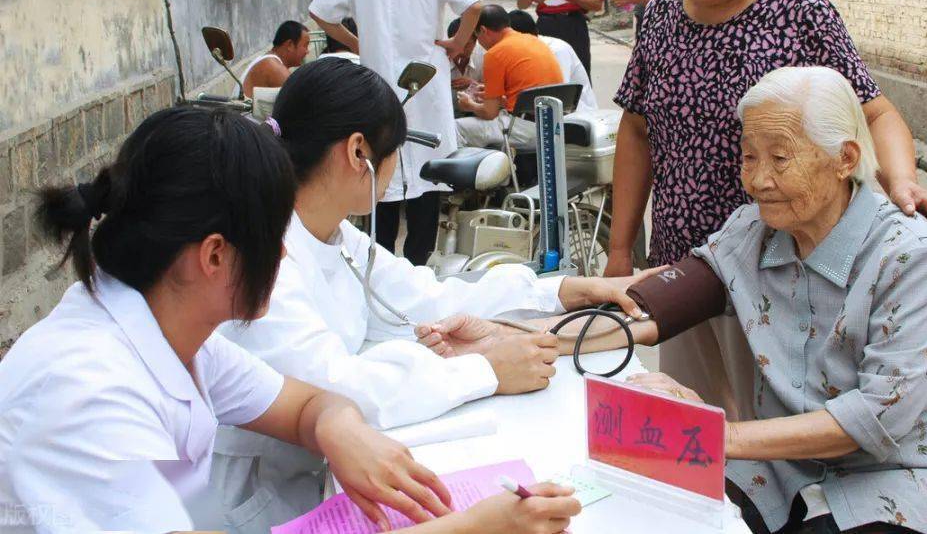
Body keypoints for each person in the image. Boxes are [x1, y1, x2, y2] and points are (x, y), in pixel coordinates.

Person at [418, 68, 927, 534]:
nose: (757, 179)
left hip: (900, 475)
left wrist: (714, 432)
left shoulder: (907, 256)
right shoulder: (754, 230)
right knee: (656, 510)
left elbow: (876, 417)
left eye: (779, 158)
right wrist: (517, 337)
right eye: (748, 156)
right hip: (784, 465)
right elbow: (648, 309)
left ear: (844, 157)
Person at [0, 106, 581, 534]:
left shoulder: (171, 330)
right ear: (214, 255)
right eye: (271, 239)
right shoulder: (85, 392)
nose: (283, 256)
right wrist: (474, 528)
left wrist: (340, 430)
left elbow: (309, 403)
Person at [207, 58, 643, 528]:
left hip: (316, 477)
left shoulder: (334, 235)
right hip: (258, 500)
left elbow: (427, 295)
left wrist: (556, 291)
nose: (395, 168)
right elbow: (335, 388)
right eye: (394, 151)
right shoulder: (267, 256)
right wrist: (483, 369)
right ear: (359, 154)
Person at [603, 0, 927, 416]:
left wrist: (904, 182)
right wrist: (622, 248)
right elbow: (638, 129)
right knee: (692, 418)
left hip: (782, 274)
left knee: (767, 438)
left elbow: (875, 114)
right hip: (684, 260)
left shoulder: (800, 14)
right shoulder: (664, 18)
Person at [309, 0, 484, 265]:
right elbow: (472, 7)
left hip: (376, 87)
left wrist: (357, 43)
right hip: (425, 85)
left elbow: (320, 12)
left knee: (376, 175)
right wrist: (457, 45)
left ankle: (381, 266)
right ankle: (418, 267)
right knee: (428, 174)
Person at [455, 5, 565, 148]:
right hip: (554, 123)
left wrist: (469, 105)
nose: (479, 44)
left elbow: (489, 113)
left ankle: (480, 170)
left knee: (455, 128)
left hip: (525, 128)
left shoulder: (495, 54)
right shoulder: (534, 41)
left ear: (483, 30)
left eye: (477, 37)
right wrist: (497, 98)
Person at [507, 9, 597, 111]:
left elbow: (559, 93)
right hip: (542, 108)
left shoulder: (556, 50)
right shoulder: (515, 51)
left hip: (574, 113)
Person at [238, 19, 310, 97]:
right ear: (290, 45)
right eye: (305, 45)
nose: (307, 51)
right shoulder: (272, 65)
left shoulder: (268, 60)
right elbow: (301, 100)